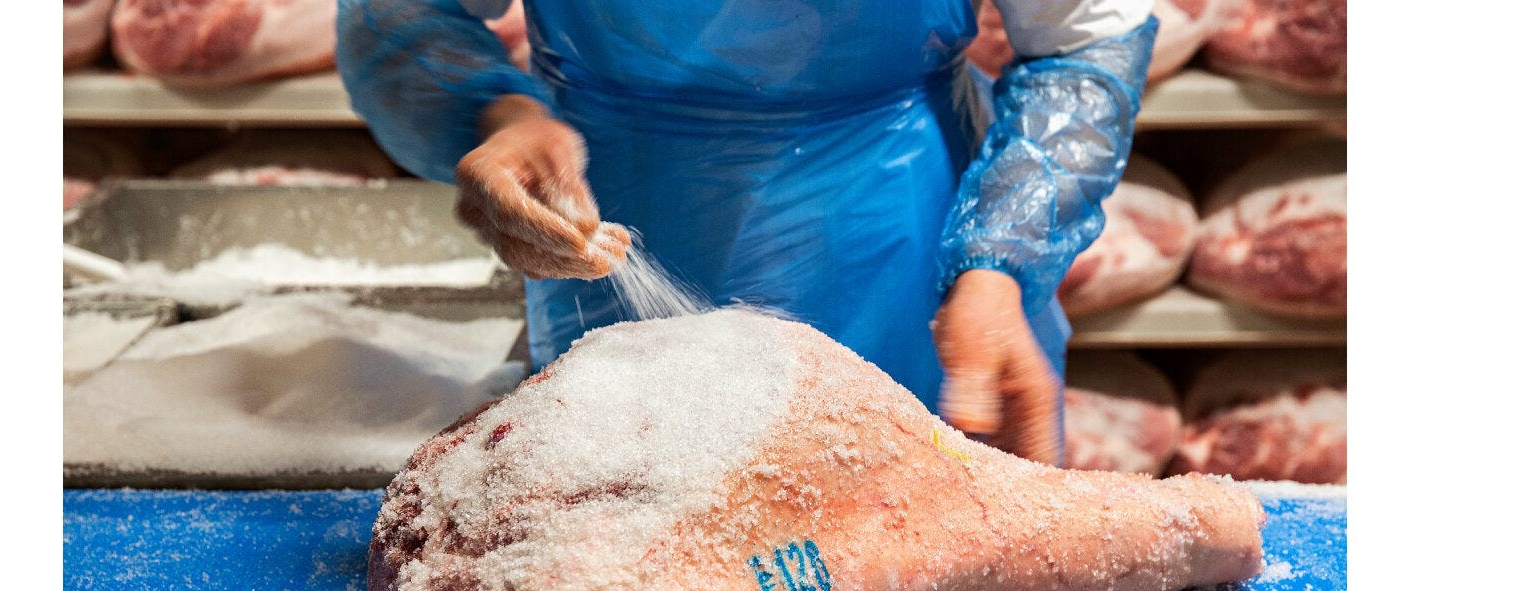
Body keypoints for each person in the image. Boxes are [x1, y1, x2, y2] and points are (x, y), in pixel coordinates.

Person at [337, 1, 1157, 465]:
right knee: (637, 568)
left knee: (917, 554)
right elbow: (404, 13)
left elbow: (1083, 43)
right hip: (624, 205)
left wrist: (1000, 263)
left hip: (904, 220)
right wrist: (500, 115)